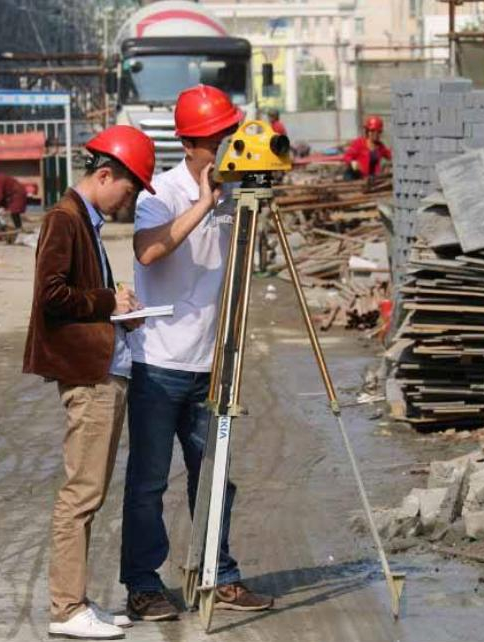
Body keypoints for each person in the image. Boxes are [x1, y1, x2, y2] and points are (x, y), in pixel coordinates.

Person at [120, 84, 275, 621]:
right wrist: (207, 202)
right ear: (189, 144)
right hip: (159, 363)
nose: (227, 146)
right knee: (149, 483)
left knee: (216, 477)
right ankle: (143, 584)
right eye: (217, 138)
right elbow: (150, 250)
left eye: (230, 134)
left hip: (214, 364)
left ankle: (219, 575)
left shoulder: (236, 191)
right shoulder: (158, 194)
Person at [23, 125, 156, 640]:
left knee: (90, 492)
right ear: (105, 175)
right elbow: (52, 295)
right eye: (128, 189)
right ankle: (66, 608)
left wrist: (118, 312)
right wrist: (108, 304)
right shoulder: (64, 219)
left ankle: (75, 599)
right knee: (81, 494)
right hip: (89, 377)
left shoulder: (85, 221)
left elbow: (77, 295)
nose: (129, 201)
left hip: (103, 369)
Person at [343, 115, 391, 180]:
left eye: (378, 132)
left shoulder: (380, 146)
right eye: (372, 131)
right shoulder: (359, 143)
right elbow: (347, 157)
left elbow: (390, 155)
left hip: (372, 179)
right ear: (367, 131)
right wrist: (353, 163)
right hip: (358, 178)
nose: (375, 134)